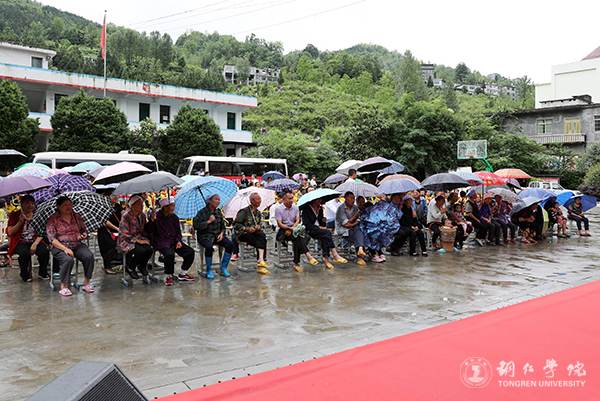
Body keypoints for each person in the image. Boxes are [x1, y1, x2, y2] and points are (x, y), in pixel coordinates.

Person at [46, 196, 95, 296]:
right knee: (68, 259)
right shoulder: (53, 219)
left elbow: (83, 230)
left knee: (89, 256)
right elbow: (52, 239)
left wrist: (84, 235)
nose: (68, 207)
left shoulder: (76, 216)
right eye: (65, 205)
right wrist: (65, 249)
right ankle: (64, 286)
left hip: (76, 244)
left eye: (70, 205)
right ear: (58, 206)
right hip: (59, 246)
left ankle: (87, 282)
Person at [152, 197, 195, 286]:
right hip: (162, 242)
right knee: (169, 255)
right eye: (172, 206)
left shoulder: (174, 217)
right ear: (165, 207)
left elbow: (178, 231)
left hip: (174, 241)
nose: (174, 208)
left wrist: (179, 241)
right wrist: (152, 220)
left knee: (190, 252)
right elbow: (150, 230)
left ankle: (183, 273)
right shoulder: (156, 217)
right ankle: (168, 276)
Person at [7, 195, 50, 282]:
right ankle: (25, 274)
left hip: (35, 240)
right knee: (23, 253)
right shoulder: (14, 215)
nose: (30, 205)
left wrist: (35, 244)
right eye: (27, 203)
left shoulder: (37, 215)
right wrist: (20, 221)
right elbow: (10, 232)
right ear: (22, 204)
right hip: (20, 242)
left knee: (44, 251)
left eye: (32, 203)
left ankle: (42, 272)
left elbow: (42, 232)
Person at [275, 192, 319, 272]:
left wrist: (292, 228)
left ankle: (297, 263)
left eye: (292, 198)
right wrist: (290, 228)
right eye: (289, 198)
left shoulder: (295, 207)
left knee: (301, 237)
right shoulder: (278, 209)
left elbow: (297, 220)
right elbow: (279, 224)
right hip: (283, 230)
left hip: (294, 228)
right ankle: (307, 255)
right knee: (298, 236)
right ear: (284, 199)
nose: (291, 200)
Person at [193, 194, 235, 278]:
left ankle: (223, 267)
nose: (218, 201)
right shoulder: (202, 212)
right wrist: (208, 221)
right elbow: (196, 226)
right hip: (204, 236)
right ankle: (209, 269)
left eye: (219, 200)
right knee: (209, 247)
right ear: (209, 200)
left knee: (230, 244)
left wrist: (222, 233)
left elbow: (223, 226)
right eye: (216, 199)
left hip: (217, 235)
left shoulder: (218, 212)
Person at [303, 197, 348, 269]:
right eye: (318, 199)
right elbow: (306, 224)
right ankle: (334, 254)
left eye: (320, 199)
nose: (320, 200)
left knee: (325, 237)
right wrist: (319, 227)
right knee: (327, 233)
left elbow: (321, 222)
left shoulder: (320, 209)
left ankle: (327, 261)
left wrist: (323, 221)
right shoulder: (306, 209)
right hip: (310, 230)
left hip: (319, 231)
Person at [118, 195, 156, 280]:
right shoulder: (126, 216)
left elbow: (146, 229)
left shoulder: (142, 215)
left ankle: (142, 266)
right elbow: (124, 233)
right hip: (126, 240)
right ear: (132, 205)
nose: (142, 206)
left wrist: (152, 220)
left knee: (149, 250)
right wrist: (138, 241)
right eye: (139, 204)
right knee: (141, 251)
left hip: (139, 238)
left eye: (142, 204)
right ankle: (130, 267)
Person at [233, 192, 270, 275]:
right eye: (258, 199)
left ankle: (260, 260)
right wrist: (247, 229)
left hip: (254, 233)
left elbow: (260, 225)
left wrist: (258, 227)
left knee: (262, 235)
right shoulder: (244, 211)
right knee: (259, 240)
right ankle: (260, 264)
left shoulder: (258, 213)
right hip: (242, 234)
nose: (260, 201)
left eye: (260, 199)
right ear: (252, 201)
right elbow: (235, 225)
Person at [97, 188, 122, 274]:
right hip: (105, 232)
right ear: (107, 196)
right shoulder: (103, 207)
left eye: (116, 195)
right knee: (111, 246)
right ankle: (107, 266)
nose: (115, 197)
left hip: (117, 231)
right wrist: (116, 228)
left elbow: (123, 215)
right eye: (113, 195)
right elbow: (105, 221)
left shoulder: (118, 206)